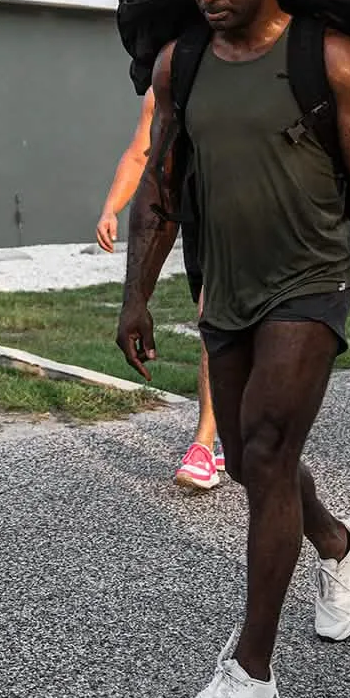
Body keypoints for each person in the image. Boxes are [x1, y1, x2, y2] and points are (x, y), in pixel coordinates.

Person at [116, 0, 350, 698]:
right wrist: (135, 294)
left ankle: (250, 675)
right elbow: (162, 186)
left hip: (312, 281)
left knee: (269, 449)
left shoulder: (335, 61)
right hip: (227, 286)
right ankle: (341, 541)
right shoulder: (184, 64)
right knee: (254, 463)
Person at [97, 87, 225, 489]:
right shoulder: (169, 82)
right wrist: (111, 209)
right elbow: (141, 154)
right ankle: (205, 443)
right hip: (206, 224)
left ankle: (233, 433)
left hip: (273, 220)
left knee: (258, 334)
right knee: (212, 318)